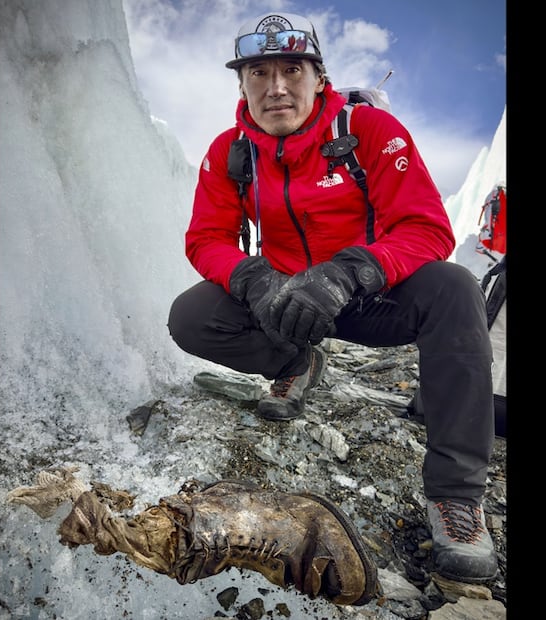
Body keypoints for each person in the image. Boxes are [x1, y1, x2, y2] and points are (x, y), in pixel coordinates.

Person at [167, 11, 497, 585]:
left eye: (292, 69)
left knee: (455, 289)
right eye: (258, 73)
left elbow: (426, 228)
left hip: (371, 297)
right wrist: (254, 279)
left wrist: (351, 271)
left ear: (319, 77)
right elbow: (207, 238)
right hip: (288, 304)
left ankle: (457, 498)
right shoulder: (230, 152)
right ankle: (298, 363)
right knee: (192, 316)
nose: (276, 87)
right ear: (241, 85)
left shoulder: (367, 130)